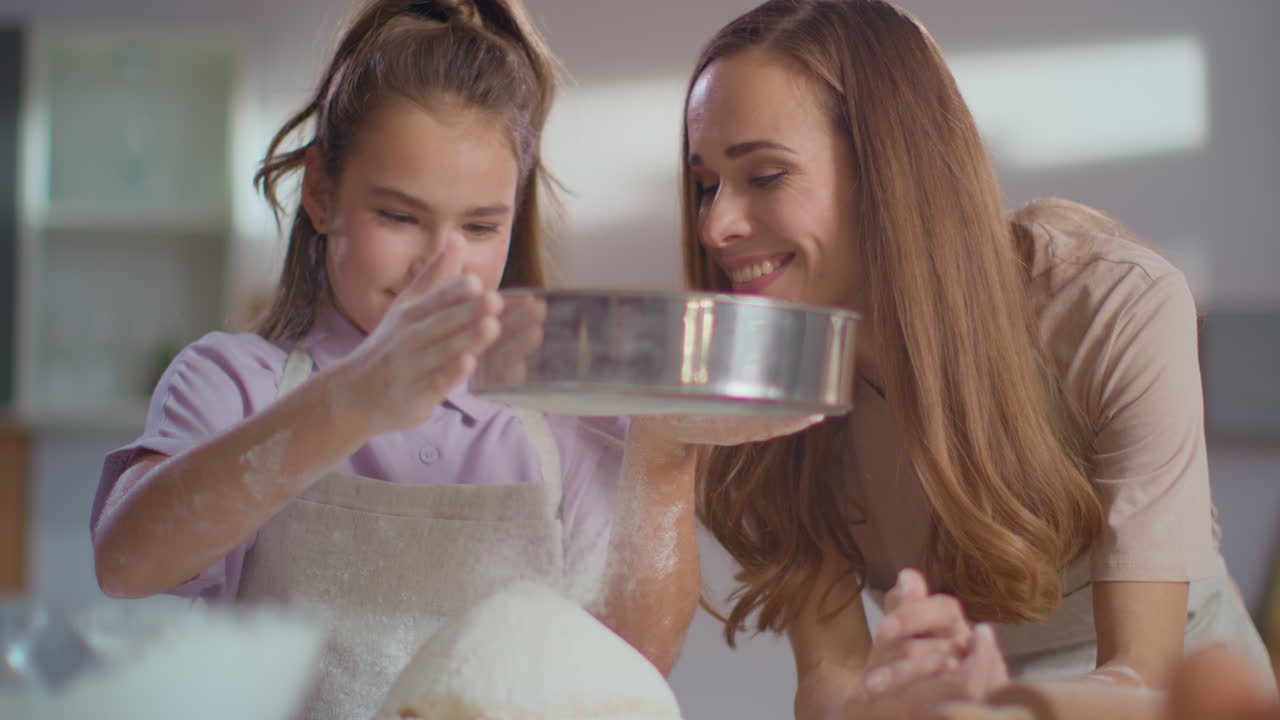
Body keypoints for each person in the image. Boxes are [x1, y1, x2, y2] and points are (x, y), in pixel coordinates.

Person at [88, 2, 709, 718]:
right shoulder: (233, 381)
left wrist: (668, 454)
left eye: (481, 225)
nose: (441, 266)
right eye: (400, 216)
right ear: (321, 193)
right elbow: (126, 563)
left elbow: (631, 660)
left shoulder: (560, 411)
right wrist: (352, 400)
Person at [674, 1, 1275, 718]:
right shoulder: (777, 371)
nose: (715, 224)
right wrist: (882, 705)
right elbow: (831, 678)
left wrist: (993, 705)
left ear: (890, 167)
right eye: (706, 182)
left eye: (764, 176)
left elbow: (1141, 675)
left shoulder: (1116, 307)